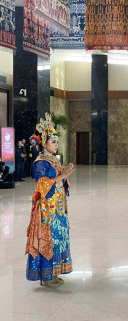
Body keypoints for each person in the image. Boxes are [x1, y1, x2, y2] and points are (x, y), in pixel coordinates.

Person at [25, 113, 75, 287]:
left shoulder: (54, 159)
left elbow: (61, 181)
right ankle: (45, 276)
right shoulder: (40, 162)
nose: (56, 144)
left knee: (59, 238)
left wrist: (64, 177)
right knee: (49, 239)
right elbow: (42, 185)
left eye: (57, 142)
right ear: (44, 144)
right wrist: (61, 176)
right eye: (53, 142)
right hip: (47, 209)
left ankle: (53, 272)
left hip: (58, 207)